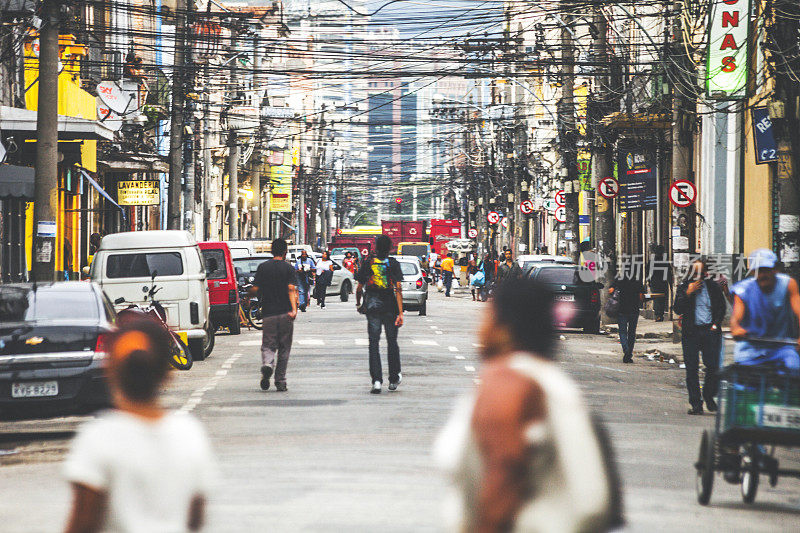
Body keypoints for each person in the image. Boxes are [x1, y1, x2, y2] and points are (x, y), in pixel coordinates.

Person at [434, 278, 618, 532]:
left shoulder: (507, 381)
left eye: (487, 314)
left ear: (504, 325)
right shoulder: (552, 382)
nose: (479, 326)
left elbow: (502, 476)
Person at [63, 316, 215, 533]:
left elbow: (84, 522)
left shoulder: (98, 438)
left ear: (111, 371)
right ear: (167, 373)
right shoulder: (190, 434)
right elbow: (195, 517)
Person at [730, 248, 800, 372]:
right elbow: (736, 318)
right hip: (751, 348)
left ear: (775, 270)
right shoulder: (743, 290)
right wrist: (736, 329)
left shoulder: (788, 284)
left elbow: (798, 310)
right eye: (759, 271)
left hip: (781, 346)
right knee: (744, 382)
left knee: (794, 369)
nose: (763, 275)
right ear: (752, 272)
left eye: (766, 270)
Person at [673, 258, 727, 415]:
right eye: (694, 273)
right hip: (691, 332)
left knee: (713, 366)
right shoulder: (684, 287)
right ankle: (696, 403)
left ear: (705, 273)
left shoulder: (713, 288)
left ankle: (709, 396)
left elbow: (721, 308)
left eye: (700, 273)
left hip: (709, 331)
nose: (697, 277)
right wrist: (688, 293)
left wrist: (715, 324)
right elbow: (677, 309)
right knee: (691, 369)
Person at [355, 234, 404, 394]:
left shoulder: (368, 262)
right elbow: (398, 289)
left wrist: (359, 303)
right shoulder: (393, 264)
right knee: (392, 342)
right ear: (390, 247)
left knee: (374, 344)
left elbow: (358, 287)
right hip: (390, 308)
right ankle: (393, 378)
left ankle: (376, 381)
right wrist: (401, 312)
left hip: (372, 307)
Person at [251, 238, 298, 392]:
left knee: (268, 344)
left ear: (272, 251)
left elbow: (255, 288)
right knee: (284, 348)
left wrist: (247, 296)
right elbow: (291, 289)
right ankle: (280, 381)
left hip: (269, 313)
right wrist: (294, 309)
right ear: (285, 252)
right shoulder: (289, 268)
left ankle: (267, 364)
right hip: (285, 313)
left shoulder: (263, 267)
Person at [609, 273, 644, 363]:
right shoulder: (637, 281)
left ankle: (626, 349)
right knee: (631, 333)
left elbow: (610, 290)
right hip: (634, 310)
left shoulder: (619, 279)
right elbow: (641, 297)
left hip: (622, 310)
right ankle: (629, 354)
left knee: (622, 331)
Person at [648, 244, 672, 321]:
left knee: (656, 298)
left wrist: (649, 281)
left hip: (655, 281)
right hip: (663, 281)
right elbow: (669, 272)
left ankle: (658, 314)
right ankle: (660, 314)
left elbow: (648, 272)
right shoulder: (665, 261)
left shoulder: (652, 261)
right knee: (662, 298)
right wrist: (670, 283)